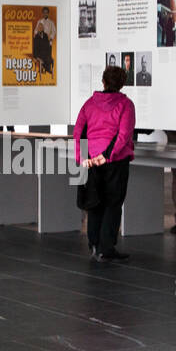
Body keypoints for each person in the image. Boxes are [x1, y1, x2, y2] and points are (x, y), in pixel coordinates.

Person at [74, 66, 136, 262]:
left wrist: (83, 158)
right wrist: (107, 155)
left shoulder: (89, 104)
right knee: (113, 203)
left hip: (92, 160)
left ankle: (94, 245)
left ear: (103, 82)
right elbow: (124, 134)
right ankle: (106, 248)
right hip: (115, 161)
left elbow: (79, 132)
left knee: (94, 203)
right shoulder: (126, 105)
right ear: (122, 84)